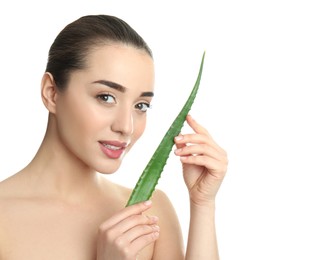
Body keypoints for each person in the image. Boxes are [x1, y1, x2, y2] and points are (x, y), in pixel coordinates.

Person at [0, 14, 228, 260]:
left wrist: (203, 205)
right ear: (52, 93)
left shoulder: (150, 214)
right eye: (106, 97)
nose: (126, 126)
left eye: (141, 105)